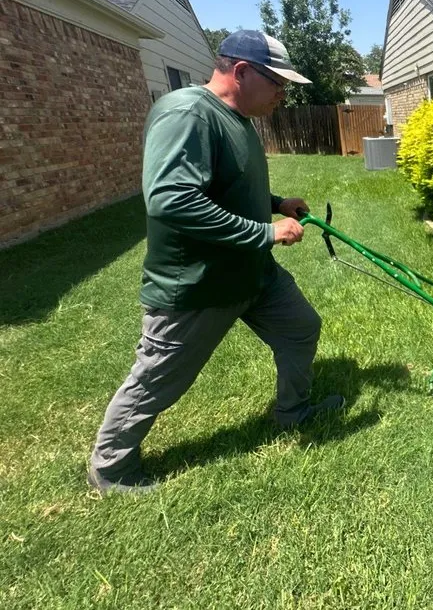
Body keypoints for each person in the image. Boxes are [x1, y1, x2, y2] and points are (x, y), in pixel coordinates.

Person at [88, 30, 343, 495]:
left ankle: (292, 412)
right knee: (158, 378)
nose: (283, 95)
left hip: (251, 274)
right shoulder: (188, 113)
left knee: (300, 328)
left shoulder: (237, 119)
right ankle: (112, 467)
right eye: (278, 83)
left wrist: (275, 203)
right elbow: (172, 199)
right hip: (198, 283)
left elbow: (226, 184)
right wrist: (265, 232)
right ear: (241, 71)